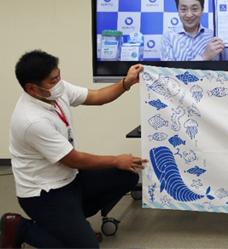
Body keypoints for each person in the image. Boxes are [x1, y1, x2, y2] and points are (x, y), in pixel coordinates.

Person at [1, 50, 148, 249]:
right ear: (32, 88)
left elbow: (96, 96)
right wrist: (116, 159)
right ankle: (18, 227)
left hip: (72, 179)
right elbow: (74, 160)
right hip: (45, 194)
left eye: (58, 75)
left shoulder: (54, 91)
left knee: (128, 176)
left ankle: (71, 224)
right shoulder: (31, 121)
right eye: (53, 80)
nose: (59, 83)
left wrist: (126, 82)